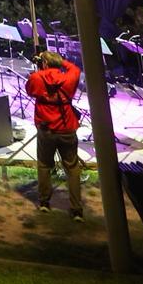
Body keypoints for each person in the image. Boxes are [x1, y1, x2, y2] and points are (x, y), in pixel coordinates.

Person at [26, 50, 84, 218]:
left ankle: (44, 202)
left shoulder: (36, 77)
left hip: (46, 128)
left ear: (44, 63)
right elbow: (75, 68)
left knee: (44, 165)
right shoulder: (69, 77)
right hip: (67, 127)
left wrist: (42, 65)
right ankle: (77, 210)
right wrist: (59, 61)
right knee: (72, 168)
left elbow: (30, 91)